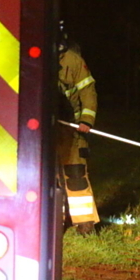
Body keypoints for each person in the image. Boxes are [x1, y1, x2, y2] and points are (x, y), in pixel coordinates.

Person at [57, 31, 100, 235]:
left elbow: (88, 92)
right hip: (38, 129)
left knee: (75, 174)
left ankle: (84, 223)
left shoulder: (73, 61)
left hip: (69, 127)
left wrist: (86, 120)